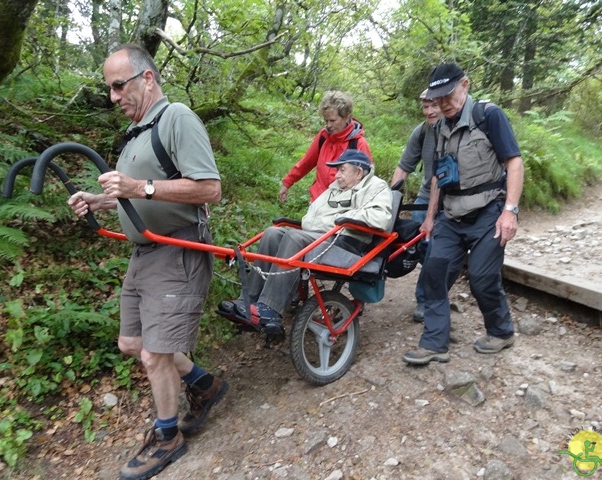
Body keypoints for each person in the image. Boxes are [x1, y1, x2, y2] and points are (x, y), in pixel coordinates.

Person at [67, 44, 227, 480]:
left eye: (120, 85)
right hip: (144, 253)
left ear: (147, 78)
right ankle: (206, 385)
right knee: (133, 344)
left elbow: (209, 188)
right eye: (110, 89)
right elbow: (135, 192)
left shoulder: (176, 118)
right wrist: (100, 201)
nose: (114, 97)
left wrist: (140, 187)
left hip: (177, 249)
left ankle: (167, 436)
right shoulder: (136, 133)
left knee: (155, 354)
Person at [403, 62, 524, 366]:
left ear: (465, 85)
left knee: (482, 277)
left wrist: (510, 211)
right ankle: (434, 343)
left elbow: (514, 163)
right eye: (437, 98)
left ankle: (501, 331)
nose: (443, 103)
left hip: (489, 213)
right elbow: (436, 178)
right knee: (434, 273)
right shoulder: (438, 127)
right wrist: (430, 217)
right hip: (451, 215)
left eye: (448, 95)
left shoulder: (488, 115)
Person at [221, 150, 393, 334]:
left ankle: (269, 308)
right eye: (337, 170)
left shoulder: (376, 187)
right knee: (272, 233)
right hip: (321, 236)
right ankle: (248, 301)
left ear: (358, 172)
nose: (337, 175)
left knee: (295, 237)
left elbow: (381, 218)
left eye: (342, 170)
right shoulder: (336, 187)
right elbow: (310, 219)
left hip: (346, 242)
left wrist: (343, 217)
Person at [391, 89, 441, 322]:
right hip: (425, 196)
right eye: (425, 106)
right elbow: (403, 167)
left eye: (434, 105)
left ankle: (426, 300)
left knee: (435, 249)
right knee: (413, 241)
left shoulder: (457, 129)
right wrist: (391, 199)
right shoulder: (422, 132)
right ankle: (436, 282)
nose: (429, 111)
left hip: (452, 201)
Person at [279, 91, 372, 203]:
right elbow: (306, 162)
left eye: (332, 120)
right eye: (326, 120)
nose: (328, 125)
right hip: (317, 201)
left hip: (341, 207)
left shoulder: (358, 144)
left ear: (346, 117)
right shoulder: (323, 136)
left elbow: (367, 182)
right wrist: (287, 182)